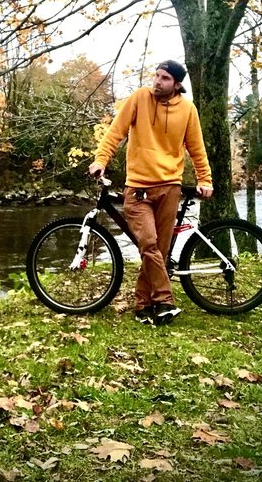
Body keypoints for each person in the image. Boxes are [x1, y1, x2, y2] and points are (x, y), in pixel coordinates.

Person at [89, 60, 213, 326]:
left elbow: (197, 148)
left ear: (177, 84)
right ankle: (166, 300)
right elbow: (115, 133)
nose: (157, 81)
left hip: (170, 187)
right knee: (148, 243)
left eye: (164, 78)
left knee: (157, 251)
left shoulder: (188, 110)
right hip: (138, 188)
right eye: (156, 75)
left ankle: (143, 306)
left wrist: (205, 179)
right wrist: (100, 160)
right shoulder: (139, 98)